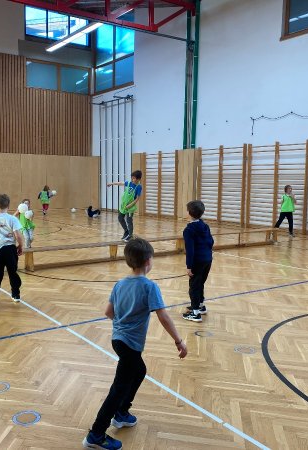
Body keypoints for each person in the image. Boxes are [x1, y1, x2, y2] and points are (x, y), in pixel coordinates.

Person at [83, 238, 187, 450]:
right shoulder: (149, 286)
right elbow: (163, 316)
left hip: (118, 340)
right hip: (130, 345)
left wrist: (123, 324)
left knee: (139, 371)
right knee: (118, 389)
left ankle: (121, 412)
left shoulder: (120, 284)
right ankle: (96, 434)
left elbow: (108, 312)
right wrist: (179, 340)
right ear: (148, 261)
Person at [182, 200, 214, 322]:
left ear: (189, 213)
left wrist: (189, 266)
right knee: (200, 283)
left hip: (197, 261)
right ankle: (200, 305)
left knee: (194, 286)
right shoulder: (205, 226)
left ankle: (195, 313)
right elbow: (211, 242)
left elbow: (190, 250)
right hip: (208, 259)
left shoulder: (189, 230)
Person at [107, 170, 143, 242]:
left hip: (130, 207)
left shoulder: (139, 187)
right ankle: (126, 231)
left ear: (138, 179)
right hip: (124, 205)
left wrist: (130, 205)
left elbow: (137, 199)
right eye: (132, 178)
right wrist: (112, 183)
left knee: (129, 221)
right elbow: (121, 183)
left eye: (134, 178)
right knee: (120, 218)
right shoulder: (129, 183)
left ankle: (130, 235)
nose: (132, 179)